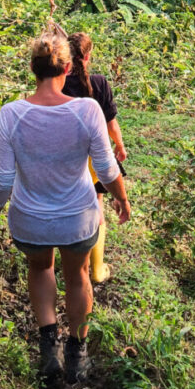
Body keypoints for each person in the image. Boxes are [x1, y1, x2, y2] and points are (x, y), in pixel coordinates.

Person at [0, 30, 131, 386]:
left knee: (40, 268)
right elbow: (107, 168)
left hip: (30, 220)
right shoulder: (86, 110)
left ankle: (50, 349)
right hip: (77, 219)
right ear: (67, 68)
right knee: (78, 275)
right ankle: (77, 353)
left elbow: (1, 179)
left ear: (32, 68)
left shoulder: (11, 114)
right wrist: (122, 199)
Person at [63, 33, 127, 284]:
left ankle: (71, 257)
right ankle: (97, 269)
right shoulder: (99, 83)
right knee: (96, 203)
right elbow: (111, 123)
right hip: (94, 157)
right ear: (88, 56)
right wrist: (119, 145)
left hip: (66, 156)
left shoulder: (58, 83)